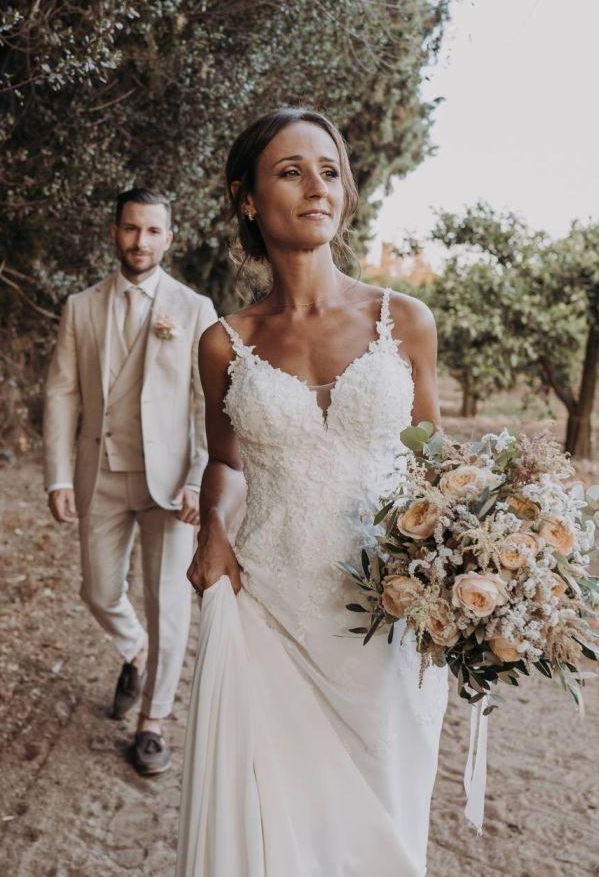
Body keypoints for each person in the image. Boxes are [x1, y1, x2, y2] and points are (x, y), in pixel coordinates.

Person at [177, 110, 451, 875]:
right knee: (277, 836)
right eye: (291, 172)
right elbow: (226, 462)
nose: (316, 188)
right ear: (247, 198)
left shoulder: (405, 322)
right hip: (274, 616)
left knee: (381, 834)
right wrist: (212, 529)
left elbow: (437, 469)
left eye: (329, 172)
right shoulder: (224, 343)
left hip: (386, 624)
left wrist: (484, 565)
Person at [42, 188, 218, 776]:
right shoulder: (81, 307)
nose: (140, 241)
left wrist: (199, 479)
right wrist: (58, 475)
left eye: (152, 231)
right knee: (97, 590)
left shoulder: (194, 308)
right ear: (114, 232)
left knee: (169, 602)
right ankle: (134, 647)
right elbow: (62, 393)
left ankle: (152, 722)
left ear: (169, 238)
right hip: (101, 475)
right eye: (130, 228)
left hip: (171, 487)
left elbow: (208, 403)